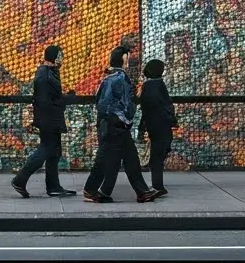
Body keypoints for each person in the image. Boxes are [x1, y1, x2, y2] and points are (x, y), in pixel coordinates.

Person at [83, 46, 158, 204]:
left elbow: (102, 102)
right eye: (128, 58)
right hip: (117, 125)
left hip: (117, 125)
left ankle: (141, 191)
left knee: (129, 158)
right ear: (124, 60)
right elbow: (112, 103)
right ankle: (91, 189)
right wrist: (122, 118)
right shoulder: (118, 79)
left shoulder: (111, 78)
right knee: (106, 159)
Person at [11, 45, 75, 198]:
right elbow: (48, 101)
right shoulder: (45, 76)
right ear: (54, 57)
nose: (62, 59)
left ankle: (53, 186)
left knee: (55, 152)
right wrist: (66, 99)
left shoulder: (49, 73)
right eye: (60, 56)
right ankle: (20, 179)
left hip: (51, 119)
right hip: (49, 120)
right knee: (46, 150)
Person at [137, 59, 177, 198]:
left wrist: (142, 126)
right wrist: (171, 119)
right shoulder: (157, 85)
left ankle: (157, 185)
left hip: (154, 124)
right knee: (158, 155)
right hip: (160, 125)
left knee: (157, 155)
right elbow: (165, 105)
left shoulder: (149, 86)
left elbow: (146, 107)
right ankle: (157, 185)